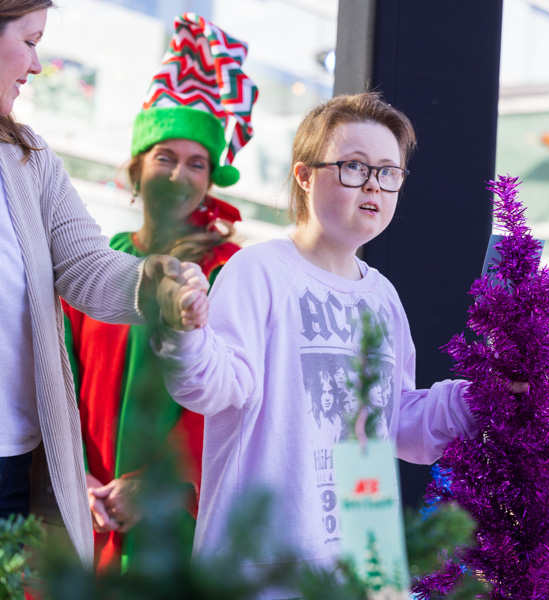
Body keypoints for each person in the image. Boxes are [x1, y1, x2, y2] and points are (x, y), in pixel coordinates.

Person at [152, 92, 528, 598]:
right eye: (354, 167)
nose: (373, 185)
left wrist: (480, 396)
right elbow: (212, 388)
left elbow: (397, 423)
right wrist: (185, 332)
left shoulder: (383, 298)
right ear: (305, 176)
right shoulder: (259, 270)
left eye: (388, 172)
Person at [0, 0, 205, 566]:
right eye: (31, 39)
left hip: (15, 466)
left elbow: (86, 267)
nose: (37, 64)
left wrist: (160, 283)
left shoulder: (29, 159)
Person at [61, 13, 257, 574]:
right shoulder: (97, 263)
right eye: (165, 157)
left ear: (210, 179)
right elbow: (60, 374)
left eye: (197, 163)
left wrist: (156, 483)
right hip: (85, 510)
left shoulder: (230, 269)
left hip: (181, 520)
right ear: (136, 169)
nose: (179, 175)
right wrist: (78, 478)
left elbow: (233, 392)